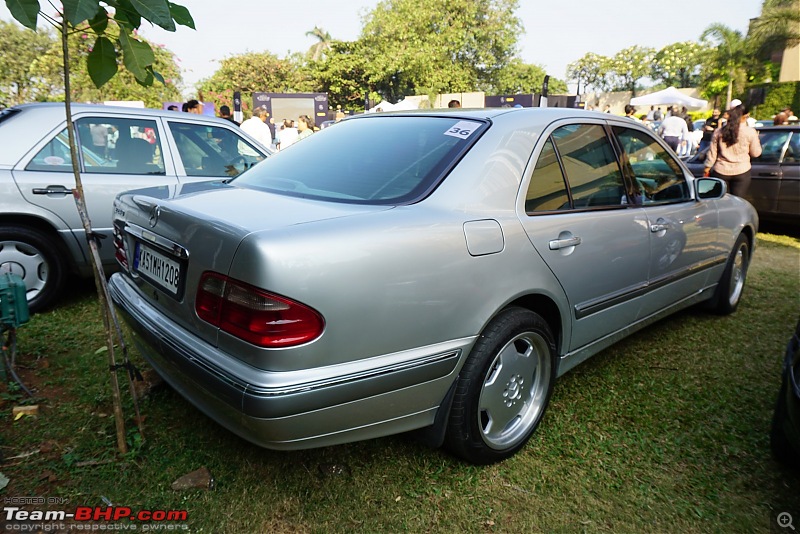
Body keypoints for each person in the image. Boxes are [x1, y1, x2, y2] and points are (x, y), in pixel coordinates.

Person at [703, 103, 762, 197]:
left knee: (721, 202)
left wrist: (707, 167)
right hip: (742, 170)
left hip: (721, 170)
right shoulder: (750, 132)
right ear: (745, 116)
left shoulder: (719, 131)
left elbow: (712, 153)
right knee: (738, 202)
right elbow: (756, 153)